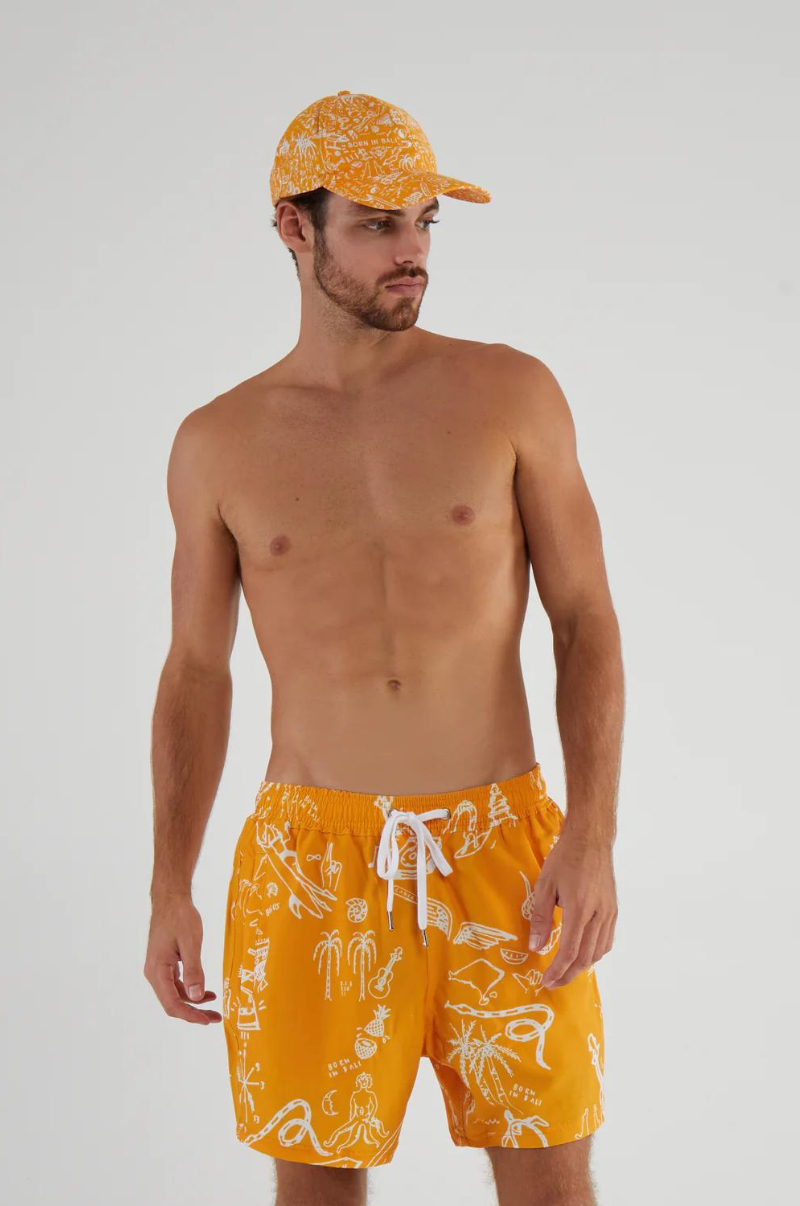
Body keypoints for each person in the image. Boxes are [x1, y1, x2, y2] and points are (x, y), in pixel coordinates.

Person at [144, 90, 623, 1206]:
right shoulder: (217, 442)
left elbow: (584, 617)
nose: (412, 252)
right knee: (317, 1191)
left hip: (506, 853)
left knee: (554, 1180)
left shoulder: (509, 392)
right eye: (375, 225)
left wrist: (592, 834)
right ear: (293, 227)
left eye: (423, 221)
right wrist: (170, 884)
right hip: (310, 864)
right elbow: (195, 671)